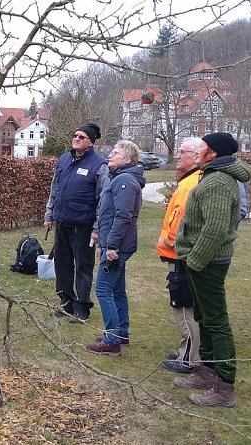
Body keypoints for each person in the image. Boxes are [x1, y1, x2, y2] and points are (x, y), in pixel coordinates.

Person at [173, 132, 251, 408]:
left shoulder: (219, 181)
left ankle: (224, 386)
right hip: (201, 260)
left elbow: (216, 229)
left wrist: (195, 260)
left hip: (208, 262)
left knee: (216, 320)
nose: (198, 152)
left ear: (214, 153)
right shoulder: (213, 174)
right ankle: (207, 371)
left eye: (203, 148)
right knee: (204, 317)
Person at [84, 140, 145, 356]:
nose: (110, 155)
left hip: (118, 245)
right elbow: (108, 214)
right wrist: (102, 239)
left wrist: (111, 246)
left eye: (115, 153)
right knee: (117, 290)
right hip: (114, 243)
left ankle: (112, 340)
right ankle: (121, 334)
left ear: (127, 159)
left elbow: (123, 216)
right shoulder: (119, 178)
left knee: (103, 289)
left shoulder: (125, 181)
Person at [44, 124, 108, 323]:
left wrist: (97, 228)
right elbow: (55, 188)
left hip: (84, 226)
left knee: (83, 267)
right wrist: (49, 214)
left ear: (90, 142)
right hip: (62, 223)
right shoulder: (64, 159)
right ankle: (66, 303)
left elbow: (103, 200)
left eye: (81, 136)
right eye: (75, 135)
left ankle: (82, 307)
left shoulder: (98, 165)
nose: (76, 138)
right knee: (62, 265)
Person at [156, 138, 204, 372]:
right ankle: (187, 351)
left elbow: (181, 221)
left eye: (182, 152)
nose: (177, 156)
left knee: (183, 306)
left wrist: (167, 241)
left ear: (196, 157)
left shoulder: (190, 184)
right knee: (185, 305)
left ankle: (188, 359)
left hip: (180, 256)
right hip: (181, 255)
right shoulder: (191, 181)